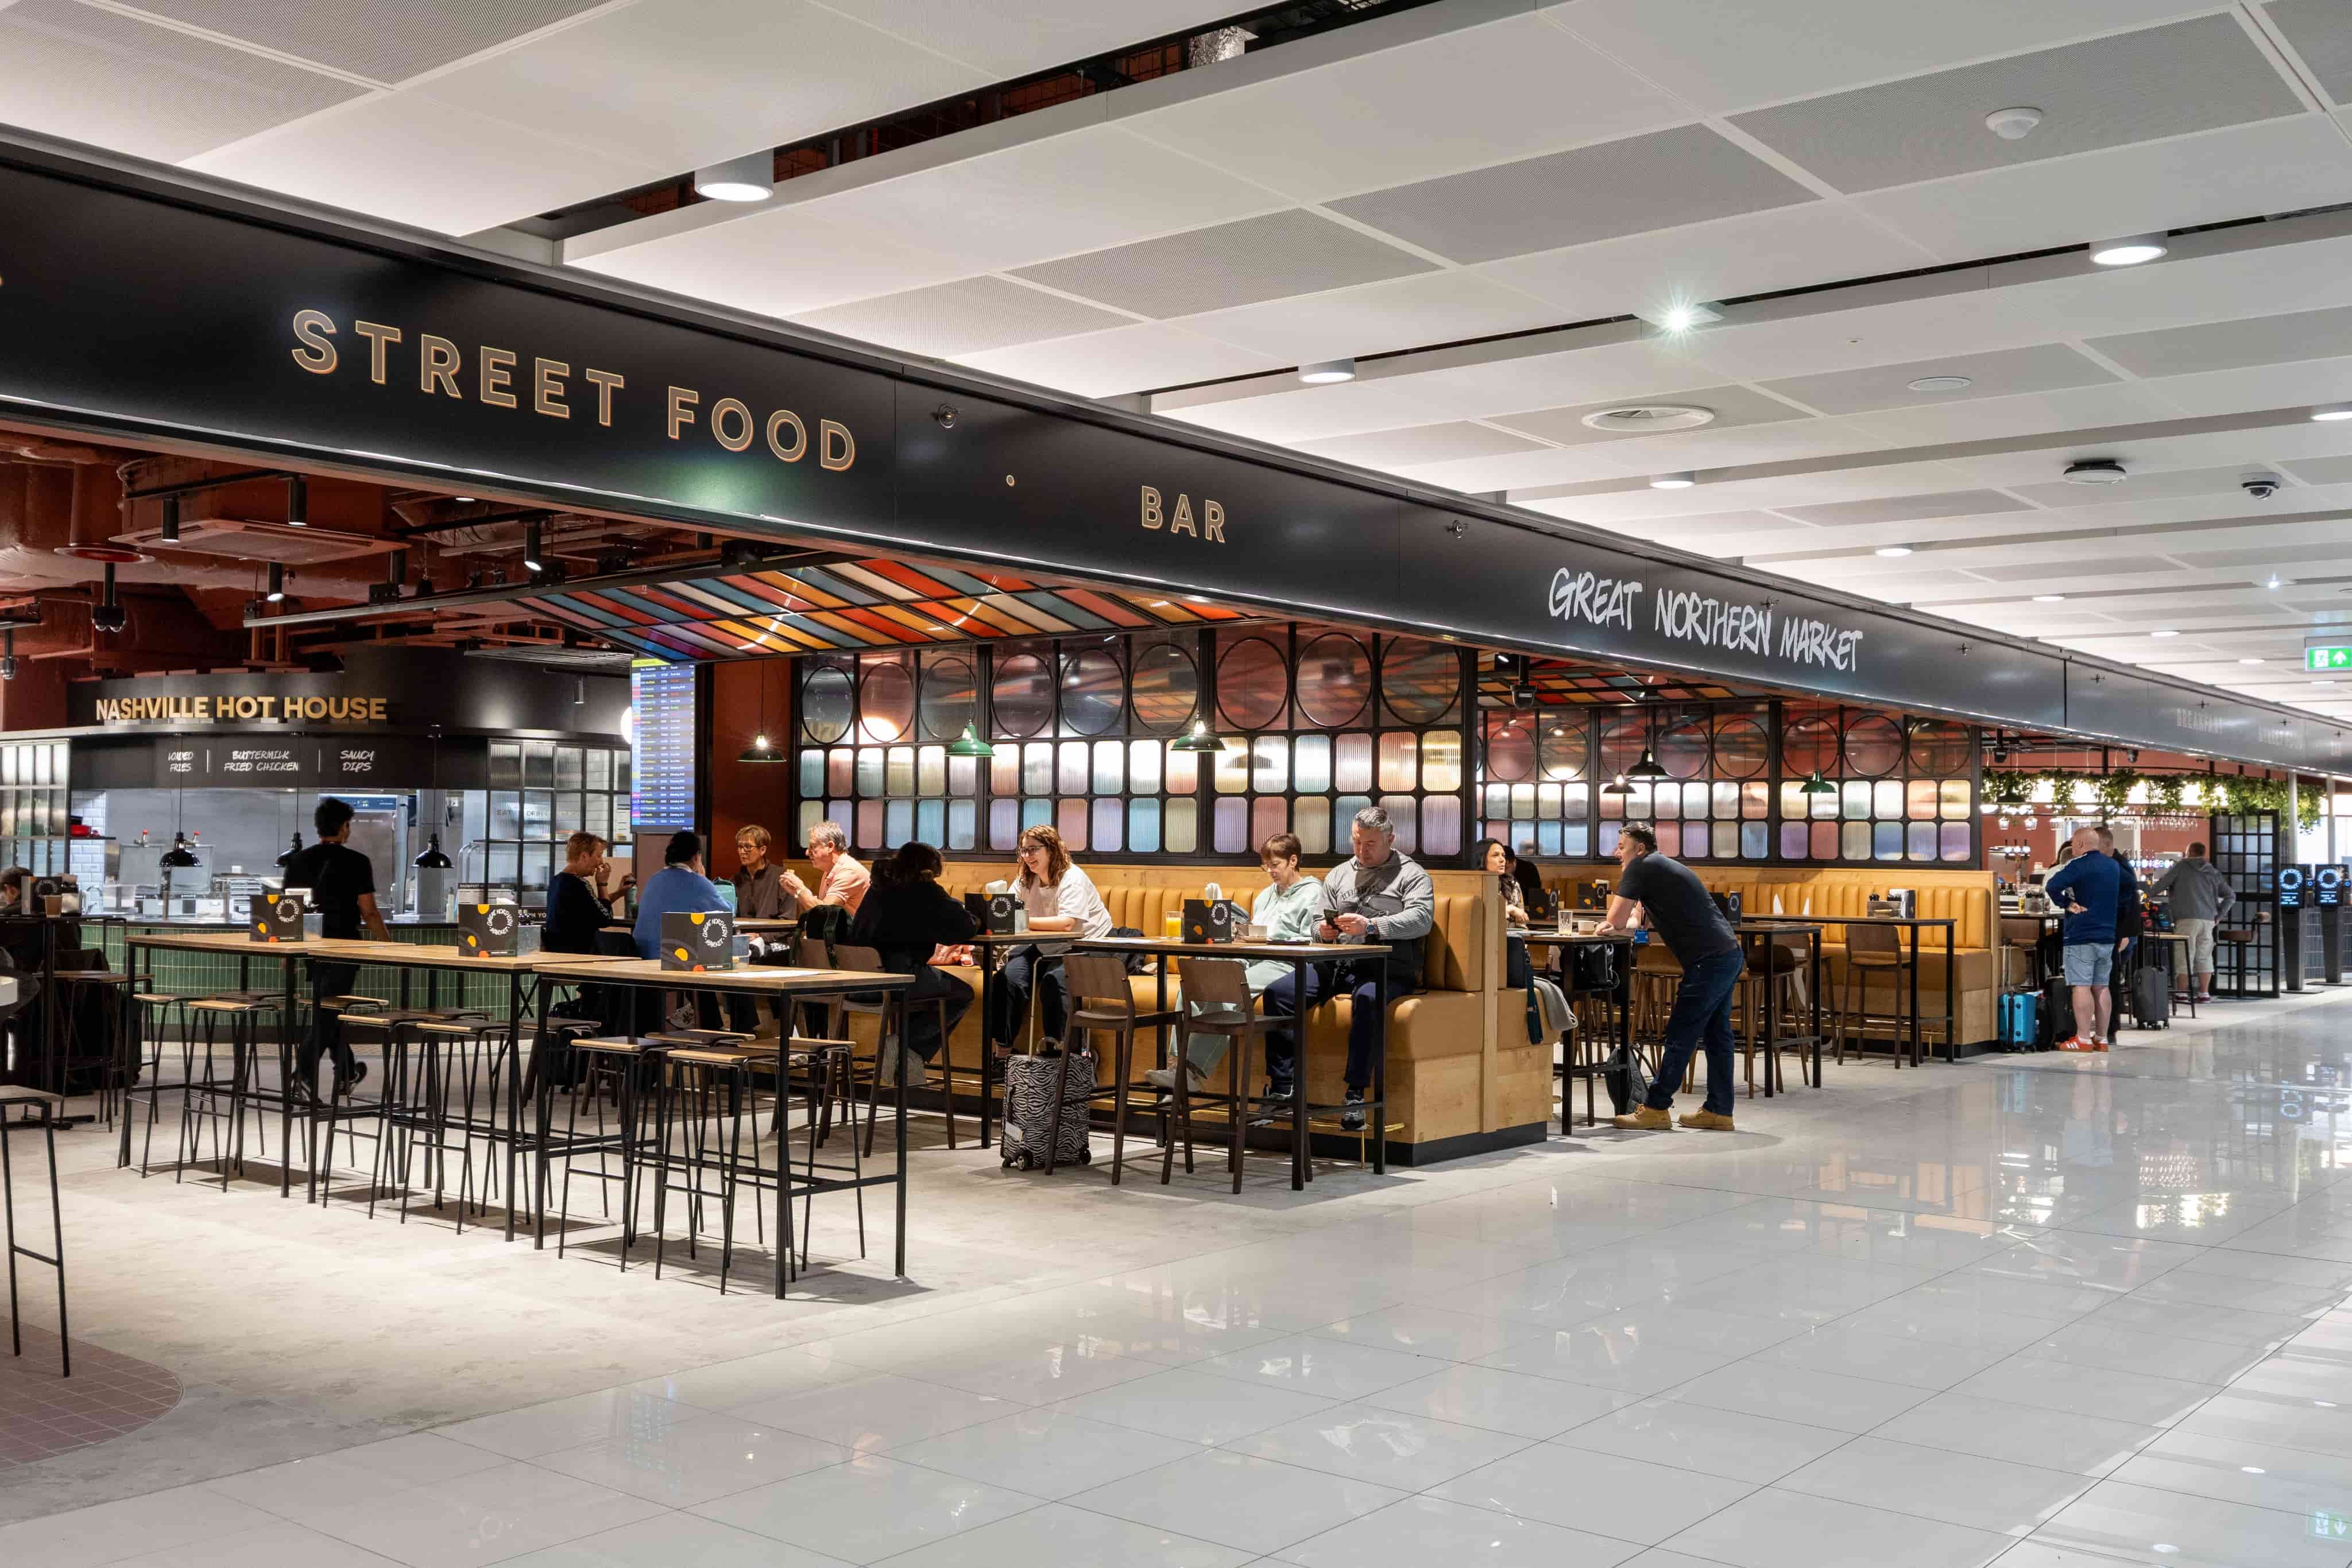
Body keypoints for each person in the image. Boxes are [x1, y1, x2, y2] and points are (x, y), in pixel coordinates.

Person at [1264, 806, 1434, 1131]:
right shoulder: (1339, 874)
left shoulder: (1412, 875)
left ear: (1390, 839)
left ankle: (1356, 1094)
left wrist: (1371, 926)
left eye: (1370, 843)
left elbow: (1421, 920)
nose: (1362, 850)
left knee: (1368, 1000)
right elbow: (1315, 923)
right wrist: (1322, 931)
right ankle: (1283, 1087)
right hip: (1337, 963)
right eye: (1357, 842)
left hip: (1385, 966)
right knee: (1279, 994)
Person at [1148, 832, 1324, 1095]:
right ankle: (1177, 1064)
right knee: (1195, 984)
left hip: (1285, 961)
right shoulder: (1265, 895)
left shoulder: (1313, 893)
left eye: (1275, 865)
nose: (1270, 872)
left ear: (1293, 861)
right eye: (1267, 866)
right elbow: (1255, 929)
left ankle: (1193, 1071)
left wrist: (1270, 939)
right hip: (1252, 955)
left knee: (1230, 988)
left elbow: (1310, 937)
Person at [1603, 824, 1744, 1132]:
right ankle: (1719, 1111)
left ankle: (1656, 1108)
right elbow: (1635, 922)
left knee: (1682, 1033)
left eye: (1622, 846)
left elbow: (1614, 917)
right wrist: (1621, 926)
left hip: (1709, 961)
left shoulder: (1640, 866)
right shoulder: (1660, 866)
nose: (1617, 853)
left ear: (1639, 849)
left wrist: (1613, 925)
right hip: (1728, 954)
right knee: (1718, 1036)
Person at [281, 798, 392, 1097]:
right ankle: (302, 1075)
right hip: (344, 948)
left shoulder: (296, 862)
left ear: (318, 827)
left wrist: (285, 951)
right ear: (344, 827)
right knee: (327, 1013)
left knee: (327, 1009)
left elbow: (289, 910)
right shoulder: (357, 862)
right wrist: (387, 944)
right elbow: (369, 911)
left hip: (309, 947)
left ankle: (347, 1071)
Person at [847, 841, 979, 1089]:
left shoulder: (877, 887)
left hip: (857, 983)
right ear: (928, 870)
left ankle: (903, 1057)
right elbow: (962, 928)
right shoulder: (923, 890)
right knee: (962, 994)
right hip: (899, 980)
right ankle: (906, 1045)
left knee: (926, 991)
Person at [987, 824, 1112, 1055]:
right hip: (1045, 945)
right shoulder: (1025, 879)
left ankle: (1063, 1057)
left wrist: (1022, 921)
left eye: (1033, 850)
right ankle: (1003, 1052)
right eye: (1023, 850)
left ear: (1052, 850)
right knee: (1006, 979)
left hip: (1085, 944)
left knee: (1054, 982)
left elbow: (1067, 924)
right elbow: (1006, 914)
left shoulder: (1072, 878)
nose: (1027, 856)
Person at [2043, 824, 2119, 1051]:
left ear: (2078, 845)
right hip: (2107, 935)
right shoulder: (2113, 866)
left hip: (2082, 935)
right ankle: (2102, 1038)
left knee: (2081, 986)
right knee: (2102, 987)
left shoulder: (2078, 865)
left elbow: (2052, 885)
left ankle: (2083, 1039)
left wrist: (2067, 904)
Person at [2150, 841, 2235, 1001]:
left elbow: (2161, 885)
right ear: (2203, 854)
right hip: (2209, 919)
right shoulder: (2213, 872)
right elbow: (2231, 896)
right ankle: (2204, 993)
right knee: (2205, 956)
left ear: (2188, 852)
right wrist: (2219, 915)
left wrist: (2145, 893)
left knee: (2185, 954)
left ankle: (2182, 993)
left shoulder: (2181, 866)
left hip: (2186, 918)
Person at [630, 830, 728, 960]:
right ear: (697, 856)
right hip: (674, 959)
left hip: (642, 955)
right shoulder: (699, 883)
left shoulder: (653, 880)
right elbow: (727, 912)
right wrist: (704, 880)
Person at [544, 832, 629, 954]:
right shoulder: (578, 884)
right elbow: (606, 918)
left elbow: (592, 908)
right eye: (599, 856)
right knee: (626, 944)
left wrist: (619, 893)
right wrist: (602, 884)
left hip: (558, 954)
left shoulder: (557, 881)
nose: (601, 862)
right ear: (584, 856)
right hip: (579, 957)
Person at [2096, 824, 2142, 1027]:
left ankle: (2110, 1026)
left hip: (2117, 931)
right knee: (2107, 977)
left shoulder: (2118, 867)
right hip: (2114, 930)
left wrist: (2123, 933)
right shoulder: (2114, 864)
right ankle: (2106, 1026)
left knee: (2110, 978)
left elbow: (2127, 901)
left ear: (2106, 846)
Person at [1475, 837, 1534, 991]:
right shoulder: (1472, 884)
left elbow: (1522, 926)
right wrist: (1507, 910)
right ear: (1482, 859)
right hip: (1482, 949)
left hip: (1511, 947)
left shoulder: (1513, 885)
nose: (1502, 860)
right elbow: (1478, 919)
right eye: (1496, 856)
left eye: (1503, 856)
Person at [779, 821, 869, 922]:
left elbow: (825, 914)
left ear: (830, 847)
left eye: (813, 846)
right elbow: (821, 910)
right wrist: (797, 892)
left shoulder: (849, 871)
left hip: (860, 936)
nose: (807, 852)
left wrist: (799, 889)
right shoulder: (831, 869)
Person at [732, 825, 788, 919]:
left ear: (762, 850)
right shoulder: (735, 881)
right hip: (742, 933)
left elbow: (788, 920)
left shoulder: (782, 878)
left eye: (748, 847)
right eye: (740, 847)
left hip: (770, 933)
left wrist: (761, 935)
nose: (742, 851)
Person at [1512, 839, 1547, 915]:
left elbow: (1536, 892)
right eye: (1528, 848)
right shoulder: (1531, 867)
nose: (1531, 851)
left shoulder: (1530, 868)